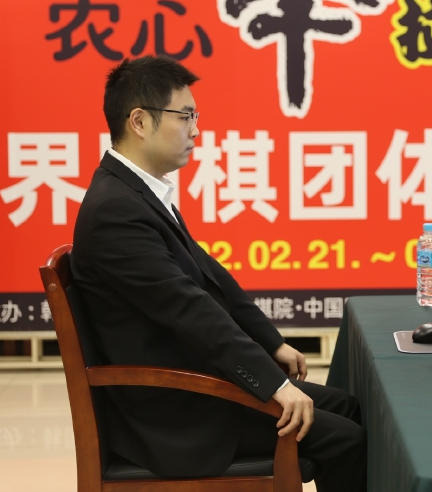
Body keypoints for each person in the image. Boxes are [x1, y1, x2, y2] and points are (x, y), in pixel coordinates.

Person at [71, 55, 365, 492]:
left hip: (197, 385)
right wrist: (273, 385)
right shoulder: (115, 210)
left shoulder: (136, 193)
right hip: (176, 413)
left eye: (196, 116)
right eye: (185, 116)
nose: (195, 130)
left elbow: (210, 277)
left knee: (347, 406)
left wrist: (272, 343)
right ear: (140, 121)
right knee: (347, 439)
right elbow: (190, 311)